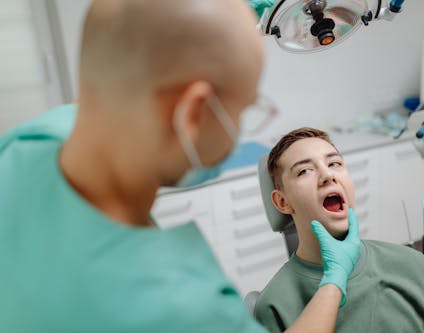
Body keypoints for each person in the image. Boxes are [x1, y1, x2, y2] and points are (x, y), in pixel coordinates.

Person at [0, 1, 359, 332]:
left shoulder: (29, 143)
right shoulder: (182, 309)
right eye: (241, 112)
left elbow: (118, 64)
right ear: (191, 115)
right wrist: (334, 279)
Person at [255, 127, 424, 333]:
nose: (327, 175)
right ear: (282, 202)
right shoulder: (274, 306)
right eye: (304, 170)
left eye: (334, 163)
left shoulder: (411, 264)